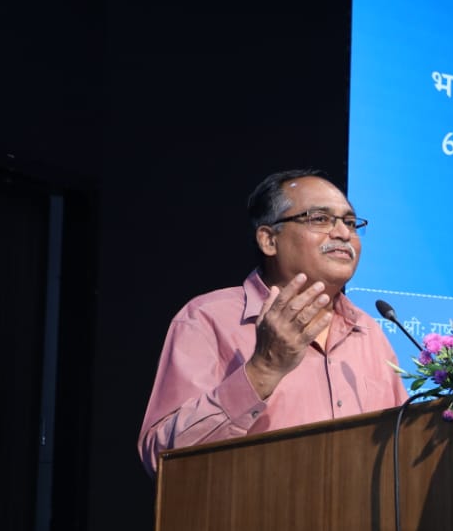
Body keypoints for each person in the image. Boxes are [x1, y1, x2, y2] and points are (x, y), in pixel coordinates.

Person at [139, 169, 407, 474]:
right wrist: (263, 369)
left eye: (349, 222)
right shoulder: (207, 319)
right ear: (268, 240)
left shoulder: (369, 332)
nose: (343, 233)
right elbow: (164, 457)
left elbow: (400, 453)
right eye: (320, 219)